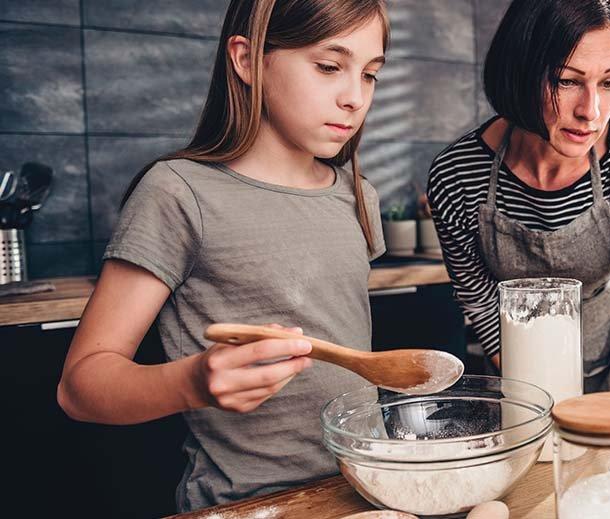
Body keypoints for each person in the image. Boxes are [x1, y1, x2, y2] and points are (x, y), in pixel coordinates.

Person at [56, 0, 389, 511]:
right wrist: (192, 381)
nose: (354, 98)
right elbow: (80, 388)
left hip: (365, 491)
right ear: (247, 59)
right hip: (247, 504)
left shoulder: (358, 195)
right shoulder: (178, 193)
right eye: (328, 66)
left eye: (369, 75)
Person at [427, 0, 610, 395]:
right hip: (521, 386)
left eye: (609, 82)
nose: (591, 112)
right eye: (566, 81)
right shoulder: (457, 175)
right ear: (521, 71)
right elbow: (480, 300)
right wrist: (539, 391)